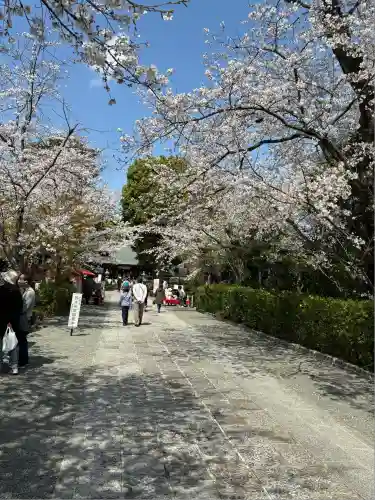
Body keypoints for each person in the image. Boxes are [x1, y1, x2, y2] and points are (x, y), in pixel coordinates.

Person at [0, 270, 23, 374]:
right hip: (14, 320)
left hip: (3, 320)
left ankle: (4, 365)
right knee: (13, 343)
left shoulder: (2, 290)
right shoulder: (17, 291)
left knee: (3, 342)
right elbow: (19, 308)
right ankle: (14, 366)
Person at [18, 274, 36, 366]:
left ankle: (23, 360)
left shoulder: (30, 292)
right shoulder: (25, 290)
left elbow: (25, 307)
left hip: (25, 318)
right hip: (23, 317)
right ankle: (22, 359)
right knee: (21, 339)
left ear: (26, 281)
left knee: (22, 339)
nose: (18, 281)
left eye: (20, 279)